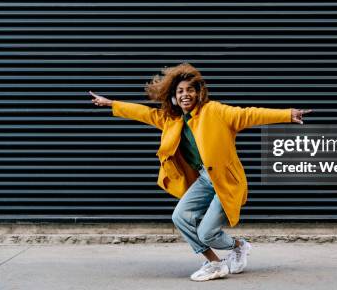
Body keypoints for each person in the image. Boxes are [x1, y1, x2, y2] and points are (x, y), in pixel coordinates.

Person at [89, 63, 311, 281]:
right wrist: (112, 104)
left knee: (207, 233)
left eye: (190, 90)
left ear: (199, 92)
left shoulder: (214, 111)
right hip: (205, 179)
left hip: (226, 180)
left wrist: (287, 114)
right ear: (174, 96)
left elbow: (248, 114)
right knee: (180, 217)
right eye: (180, 91)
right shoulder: (172, 119)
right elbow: (144, 112)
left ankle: (239, 246)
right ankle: (214, 263)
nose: (185, 95)